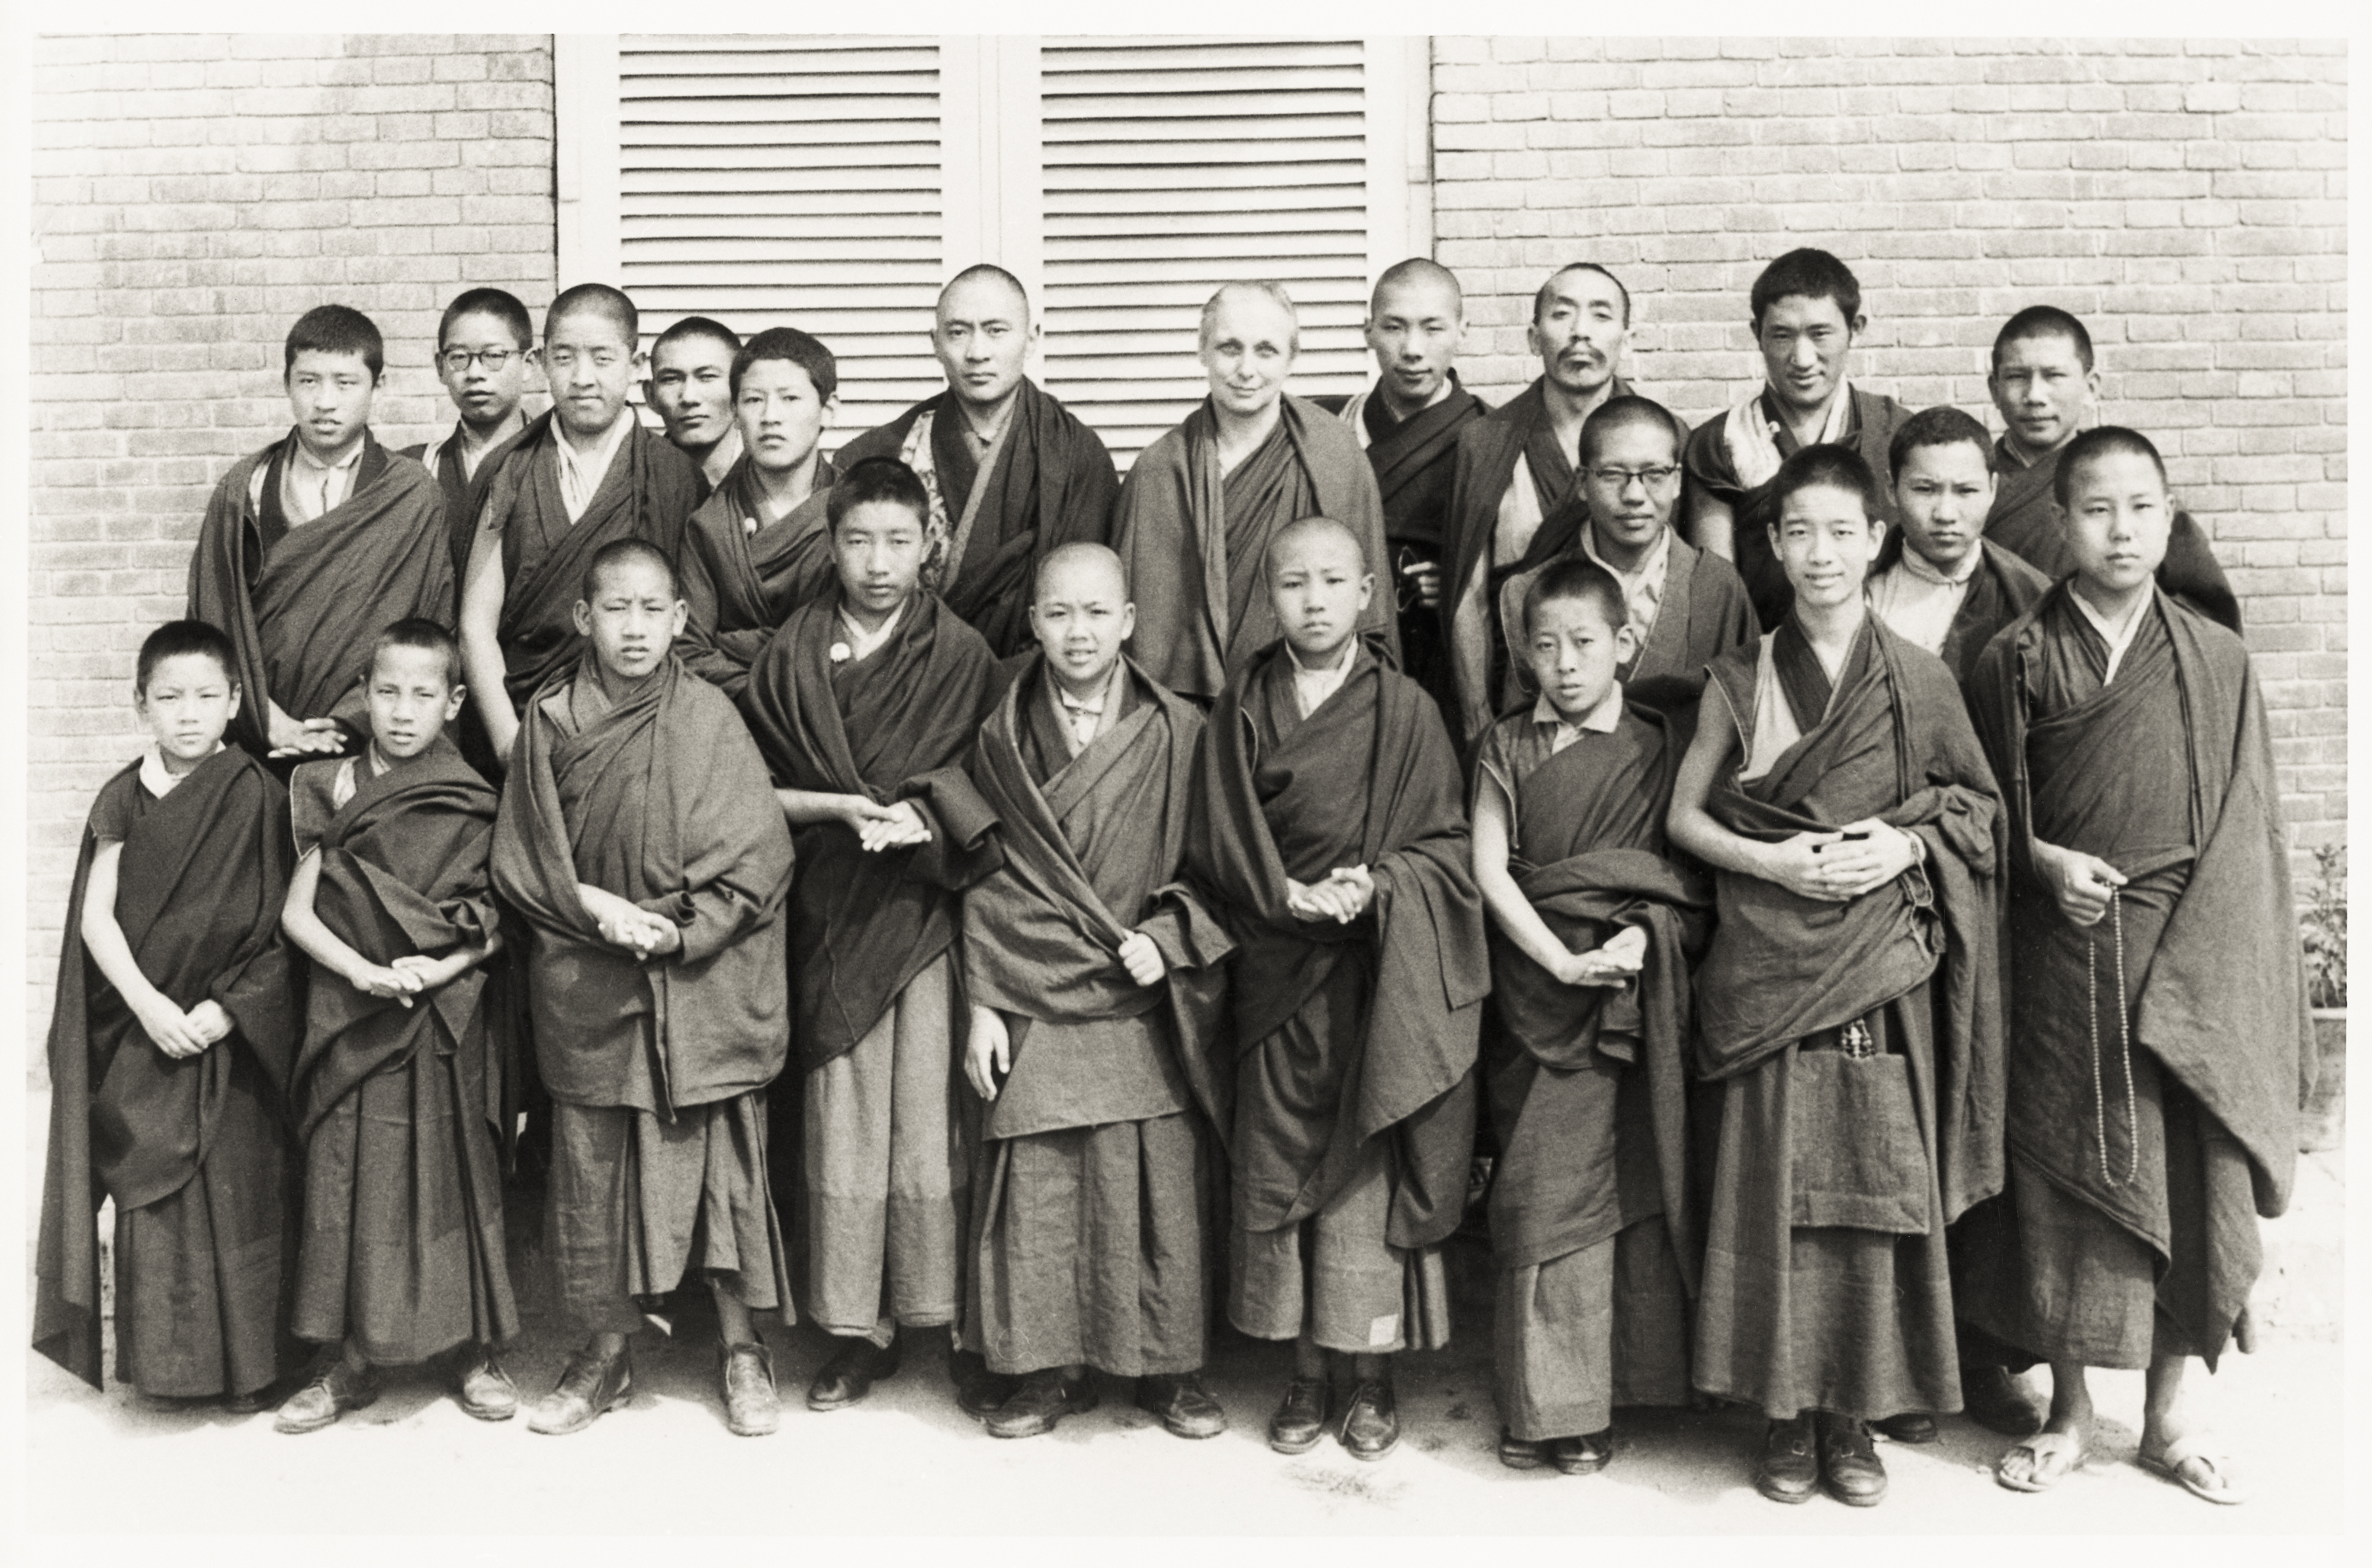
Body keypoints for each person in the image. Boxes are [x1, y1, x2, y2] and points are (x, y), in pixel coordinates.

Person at [1958, 428, 2310, 1507]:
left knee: (2184, 1175)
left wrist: (2216, 966)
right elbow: (1973, 820)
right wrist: (2038, 859)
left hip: (2186, 952)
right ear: (2058, 524)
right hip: (2059, 953)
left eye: (2140, 508)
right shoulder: (2010, 656)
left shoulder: (2216, 657)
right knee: (2060, 1183)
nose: (2119, 530)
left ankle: (2167, 1417)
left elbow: (2249, 822)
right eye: (2096, 510)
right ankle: (2069, 1409)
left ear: (2168, 518)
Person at [1667, 446, 2004, 1509]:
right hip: (1768, 961)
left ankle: (1852, 1414)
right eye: (1797, 532)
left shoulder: (1916, 676)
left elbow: (1973, 811)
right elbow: (1683, 816)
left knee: (1865, 1190)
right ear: (1772, 546)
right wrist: (1770, 859)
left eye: (1840, 532)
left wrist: (1905, 850)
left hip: (1874, 972)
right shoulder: (1741, 675)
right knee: (1771, 1183)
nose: (1819, 554)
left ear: (1875, 541)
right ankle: (1779, 1413)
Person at [1185, 515, 1486, 1462]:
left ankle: (1369, 1378)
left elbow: (1444, 846)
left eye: (1330, 582)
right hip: (1274, 971)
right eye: (1290, 584)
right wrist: (1280, 892)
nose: (1311, 601)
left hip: (1369, 972)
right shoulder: (1238, 707)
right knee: (1279, 1171)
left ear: (1368, 595)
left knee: (1365, 1171)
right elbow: (1215, 838)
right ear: (1264, 599)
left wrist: (1378, 885)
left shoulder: (1407, 713)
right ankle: (1304, 1375)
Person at [488, 539, 798, 1438]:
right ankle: (604, 1351)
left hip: (699, 977)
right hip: (591, 975)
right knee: (592, 1173)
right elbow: (521, 860)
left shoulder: (710, 717)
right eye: (613, 609)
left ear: (679, 621)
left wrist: (683, 929)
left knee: (722, 1170)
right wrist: (592, 909)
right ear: (584, 618)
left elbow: (758, 855)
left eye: (650, 610)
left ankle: (743, 1349)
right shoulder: (549, 722)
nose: (633, 628)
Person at [739, 457, 1006, 1416]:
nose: (879, 562)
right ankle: (861, 1331)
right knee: (845, 1128)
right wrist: (834, 807)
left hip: (926, 917)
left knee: (932, 1130)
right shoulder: (790, 655)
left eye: (899, 541)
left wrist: (927, 817)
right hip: (830, 912)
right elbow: (745, 793)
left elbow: (995, 784)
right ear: (830, 541)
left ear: (929, 544)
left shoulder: (962, 654)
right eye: (858, 541)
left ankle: (948, 1323)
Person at [956, 543, 1235, 1441]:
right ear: (1033, 622)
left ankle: (1165, 1371)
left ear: (1130, 622)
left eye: (1096, 614)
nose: (1078, 633)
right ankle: (1043, 1371)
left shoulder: (1181, 730)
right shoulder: (1000, 733)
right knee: (1037, 1190)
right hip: (1033, 988)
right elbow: (987, 877)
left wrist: (1169, 936)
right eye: (1059, 614)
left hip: (1137, 993)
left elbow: (1220, 867)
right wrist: (985, 1003)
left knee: (1149, 1189)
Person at [1470, 558, 1709, 1477]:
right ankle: (1543, 1407)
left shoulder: (1660, 743)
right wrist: (1563, 959)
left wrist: (1647, 940)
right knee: (1539, 1199)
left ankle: (1619, 1396)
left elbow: (1680, 879)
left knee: (1629, 1195)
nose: (1564, 665)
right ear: (1523, 653)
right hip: (1538, 989)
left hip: (1632, 996)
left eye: (1584, 644)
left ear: (1625, 644)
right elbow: (1491, 872)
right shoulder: (1504, 743)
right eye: (1544, 646)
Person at [34, 620, 303, 1407]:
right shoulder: (122, 795)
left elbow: (286, 921)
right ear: (142, 704)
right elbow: (95, 918)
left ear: (233, 704)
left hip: (233, 1032)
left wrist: (230, 1007)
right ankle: (166, 1369)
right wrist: (149, 1007)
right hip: (144, 1031)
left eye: (206, 697)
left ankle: (251, 1372)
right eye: (170, 698)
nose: (189, 714)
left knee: (242, 1189)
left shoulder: (258, 793)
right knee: (158, 1196)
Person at [271, 619, 517, 1433]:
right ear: (364, 696)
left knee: (454, 1172)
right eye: (387, 693)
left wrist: (437, 970)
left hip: (449, 1017)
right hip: (351, 1013)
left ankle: (470, 1350)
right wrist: (361, 972)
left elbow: (497, 919)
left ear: (454, 702)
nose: (403, 712)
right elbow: (296, 912)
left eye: (422, 695)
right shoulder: (325, 787)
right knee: (352, 1177)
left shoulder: (476, 793)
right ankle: (351, 1362)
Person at [187, 304, 454, 768]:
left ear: (378, 385)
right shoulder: (245, 488)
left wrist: (353, 719)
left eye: (345, 383)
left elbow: (432, 621)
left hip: (376, 740)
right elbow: (214, 620)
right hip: (258, 739)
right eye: (308, 381)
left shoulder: (412, 495)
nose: (325, 401)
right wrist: (268, 720)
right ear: (286, 382)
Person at [459, 285, 703, 769]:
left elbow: (690, 627)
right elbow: (475, 625)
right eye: (565, 358)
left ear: (635, 367)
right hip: (523, 723)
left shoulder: (674, 476)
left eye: (603, 359)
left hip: (642, 731)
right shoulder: (509, 469)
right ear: (542, 362)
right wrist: (510, 743)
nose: (583, 378)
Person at [1116, 282, 1395, 704]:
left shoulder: (1335, 453)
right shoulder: (1158, 471)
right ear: (1202, 351)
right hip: (1188, 714)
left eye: (1266, 351)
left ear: (1292, 358)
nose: (1247, 370)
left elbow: (1371, 617)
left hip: (1309, 702)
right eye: (1230, 348)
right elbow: (1135, 635)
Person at [834, 265, 1119, 657]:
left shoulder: (1076, 457)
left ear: (1032, 338)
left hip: (1034, 683)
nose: (977, 352)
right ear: (935, 342)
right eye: (958, 332)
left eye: (996, 330)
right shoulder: (883, 454)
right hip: (909, 677)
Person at [1439, 263, 1640, 748]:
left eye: (1600, 315)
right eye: (1562, 314)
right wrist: (1477, 716)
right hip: (1519, 692)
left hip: (1635, 696)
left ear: (1625, 338)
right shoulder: (1485, 443)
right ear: (1534, 338)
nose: (1580, 333)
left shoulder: (1661, 440)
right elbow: (1467, 593)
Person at [1683, 248, 1912, 632]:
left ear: (1856, 328)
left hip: (1881, 648)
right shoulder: (1721, 442)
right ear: (1757, 335)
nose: (1802, 358)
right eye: (1782, 335)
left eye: (1820, 334)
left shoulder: (1894, 432)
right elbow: (1718, 593)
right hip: (1762, 655)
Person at [1492, 395, 1757, 726]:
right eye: (1613, 474)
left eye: (1654, 474)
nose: (1634, 495)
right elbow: (1520, 739)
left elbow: (1747, 720)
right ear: (1582, 483)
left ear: (1677, 481)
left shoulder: (1717, 587)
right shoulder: (1529, 593)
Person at [1982, 307, 2241, 632]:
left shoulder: (2129, 483)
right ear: (1994, 389)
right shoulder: (1969, 486)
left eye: (2054, 376)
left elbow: (2205, 617)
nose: (2035, 396)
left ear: (2091, 388)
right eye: (2017, 377)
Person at [1335, 258, 1489, 719]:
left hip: (1443, 665)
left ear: (1462, 332)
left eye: (1433, 329)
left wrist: (1463, 583)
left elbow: (1522, 570)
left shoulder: (1489, 437)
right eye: (1394, 328)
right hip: (1342, 655)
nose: (1412, 350)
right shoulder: (1331, 429)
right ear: (1368, 332)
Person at [677, 326, 843, 699]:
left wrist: (738, 644)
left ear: (828, 412)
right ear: (735, 414)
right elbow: (688, 652)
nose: (770, 417)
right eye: (754, 401)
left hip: (839, 708)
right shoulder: (709, 527)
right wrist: (775, 690)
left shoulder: (856, 511)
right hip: (738, 717)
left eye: (790, 399)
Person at [1866, 405, 2053, 690]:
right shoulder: (1859, 586)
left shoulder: (2029, 594)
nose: (1945, 514)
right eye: (1925, 490)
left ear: (1992, 490)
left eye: (1966, 491)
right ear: (1892, 490)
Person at [403, 287, 539, 588]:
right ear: (440, 367)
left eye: (493, 356)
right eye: (460, 357)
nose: (475, 372)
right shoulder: (415, 468)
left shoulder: (557, 461)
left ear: (528, 364)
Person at [646, 315, 745, 499]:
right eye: (671, 379)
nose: (689, 398)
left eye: (707, 377)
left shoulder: (775, 474)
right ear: (651, 397)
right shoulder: (639, 481)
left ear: (741, 388)